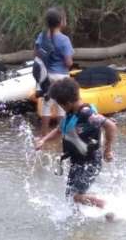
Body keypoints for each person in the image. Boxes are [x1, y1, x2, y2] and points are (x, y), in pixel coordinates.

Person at [36, 78, 117, 210]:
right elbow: (59, 130)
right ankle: (86, 217)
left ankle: (107, 207)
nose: (60, 108)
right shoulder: (71, 113)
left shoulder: (87, 114)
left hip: (90, 161)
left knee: (76, 196)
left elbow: (111, 126)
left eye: (60, 105)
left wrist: (107, 150)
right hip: (77, 161)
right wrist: (43, 140)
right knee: (70, 196)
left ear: (67, 103)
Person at [34, 7, 74, 136]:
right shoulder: (64, 40)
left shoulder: (42, 36)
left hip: (46, 76)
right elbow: (68, 63)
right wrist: (70, 63)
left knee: (47, 104)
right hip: (61, 76)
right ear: (61, 21)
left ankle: (43, 135)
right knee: (61, 107)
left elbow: (36, 53)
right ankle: (63, 135)